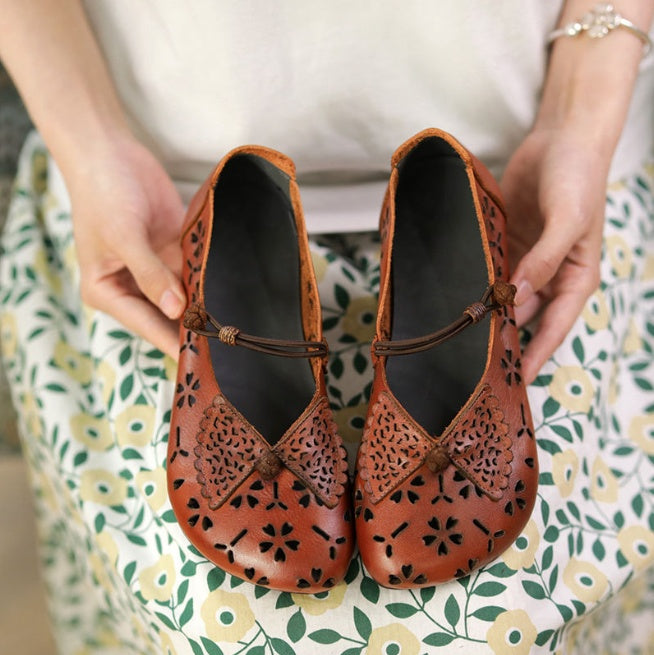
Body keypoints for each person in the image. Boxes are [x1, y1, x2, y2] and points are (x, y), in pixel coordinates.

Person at [0, 1, 653, 653]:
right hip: (146, 198)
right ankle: (228, 217)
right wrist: (90, 146)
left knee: (520, 616)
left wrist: (582, 108)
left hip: (547, 186)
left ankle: (461, 207)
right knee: (203, 619)